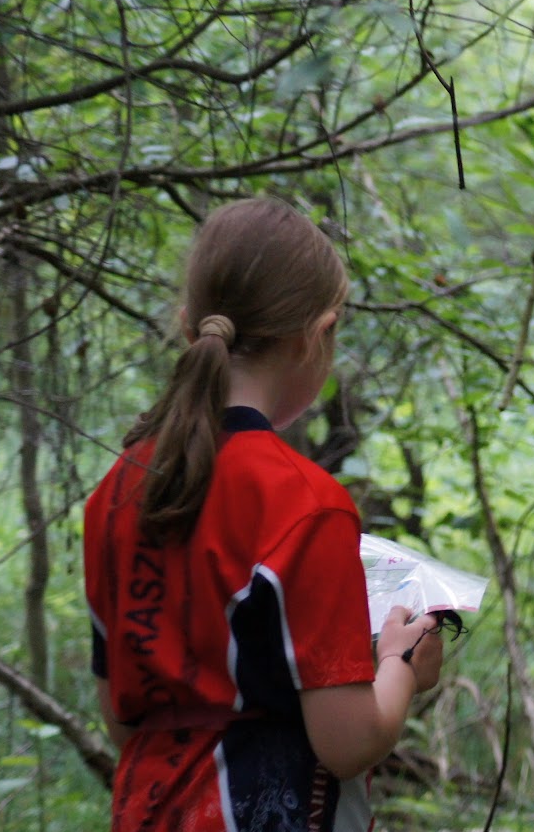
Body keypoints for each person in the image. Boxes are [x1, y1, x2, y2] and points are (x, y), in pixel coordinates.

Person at [83, 197, 445, 831]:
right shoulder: (305, 503)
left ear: (188, 325)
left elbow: (121, 716)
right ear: (317, 334)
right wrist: (401, 663)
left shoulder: (115, 492)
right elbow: (348, 740)